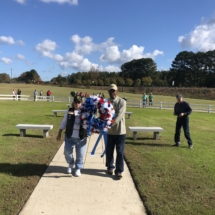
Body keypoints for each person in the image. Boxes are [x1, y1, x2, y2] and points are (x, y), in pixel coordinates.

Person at [56, 96, 87, 177]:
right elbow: (64, 122)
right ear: (73, 103)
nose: (77, 104)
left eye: (79, 102)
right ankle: (70, 164)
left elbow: (90, 123)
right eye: (76, 102)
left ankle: (78, 168)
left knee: (80, 154)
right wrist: (59, 132)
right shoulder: (69, 111)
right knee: (67, 152)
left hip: (81, 137)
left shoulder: (85, 112)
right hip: (70, 136)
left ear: (81, 103)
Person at [106, 84, 126, 179]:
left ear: (117, 91)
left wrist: (110, 124)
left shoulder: (122, 102)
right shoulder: (105, 102)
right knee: (109, 151)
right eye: (110, 91)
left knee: (120, 152)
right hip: (110, 133)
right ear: (108, 92)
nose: (112, 92)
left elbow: (120, 115)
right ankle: (110, 167)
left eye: (114, 91)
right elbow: (100, 113)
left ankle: (118, 171)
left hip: (120, 132)